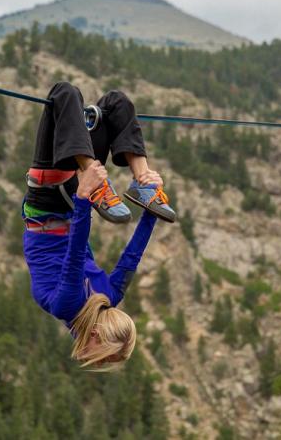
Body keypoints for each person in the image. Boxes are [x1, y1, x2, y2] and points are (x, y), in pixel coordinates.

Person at [22, 82, 176, 371]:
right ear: (97, 334)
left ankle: (91, 172)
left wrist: (85, 194)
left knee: (64, 95)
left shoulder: (65, 307)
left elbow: (75, 255)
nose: (92, 355)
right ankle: (141, 176)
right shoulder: (105, 296)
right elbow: (131, 257)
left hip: (46, 201)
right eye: (99, 352)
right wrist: (151, 209)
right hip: (72, 202)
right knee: (116, 103)